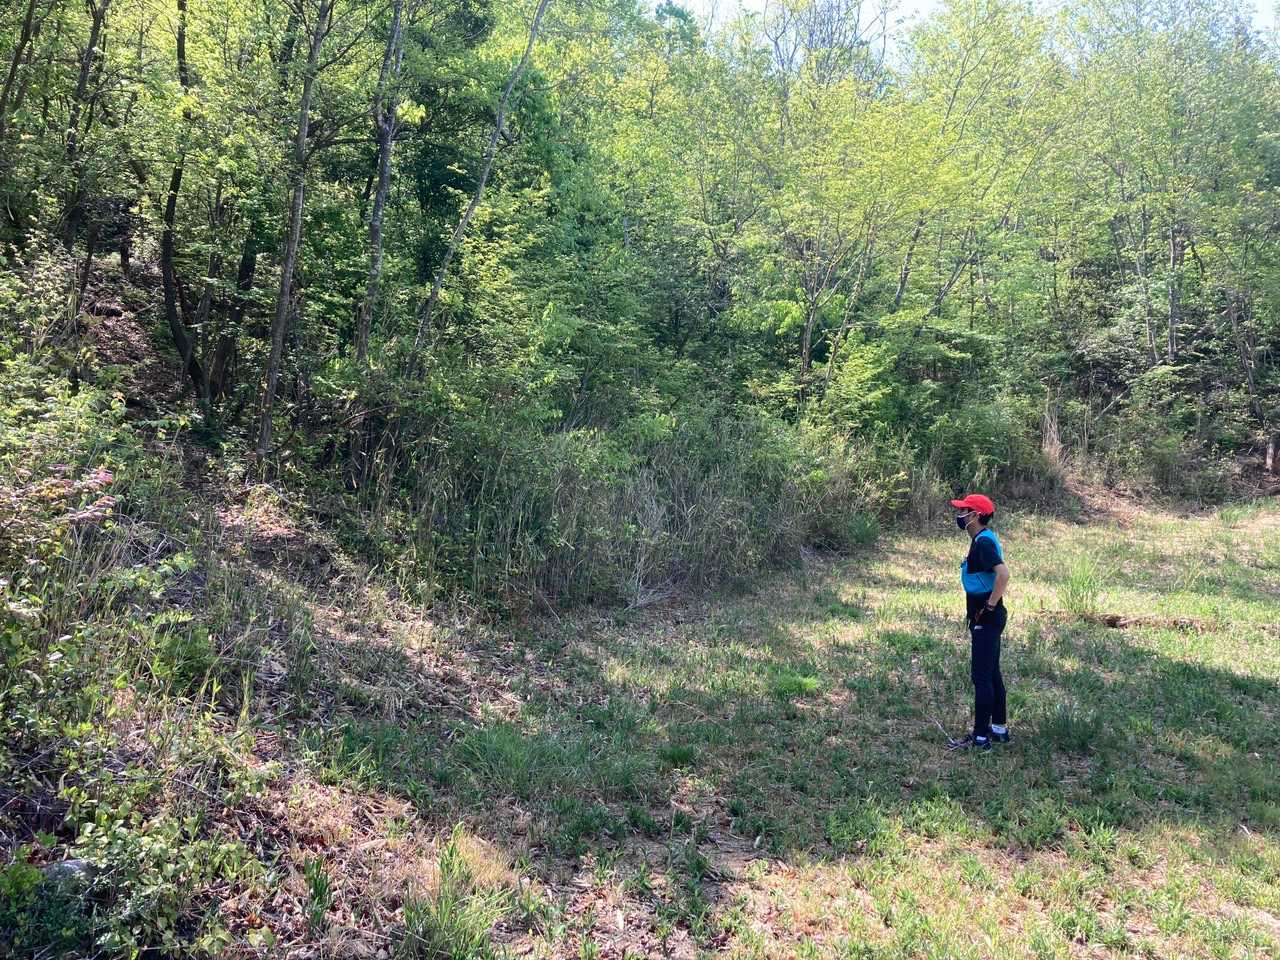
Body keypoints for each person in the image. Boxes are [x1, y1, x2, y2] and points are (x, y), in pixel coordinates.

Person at [947, 493, 1011, 751]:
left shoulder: (983, 543)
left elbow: (1003, 574)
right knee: (992, 673)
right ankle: (999, 729)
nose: (960, 515)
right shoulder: (983, 539)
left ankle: (981, 738)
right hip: (989, 618)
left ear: (975, 515)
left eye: (964, 511)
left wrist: (989, 606)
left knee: (981, 677)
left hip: (987, 619)